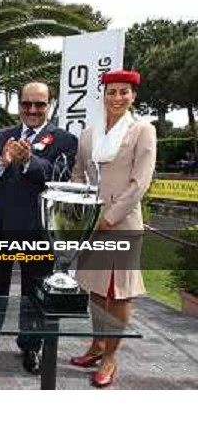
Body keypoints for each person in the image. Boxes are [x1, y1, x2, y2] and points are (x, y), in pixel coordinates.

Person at [0, 81, 78, 374]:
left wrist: (28, 161)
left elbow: (58, 176)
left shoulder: (64, 140)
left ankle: (30, 346)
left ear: (49, 105)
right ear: (19, 104)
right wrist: (2, 160)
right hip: (1, 225)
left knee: (33, 291)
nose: (32, 110)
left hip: (38, 228)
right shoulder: (4, 136)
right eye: (26, 104)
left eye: (39, 104)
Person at [70, 69, 156, 388]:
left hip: (121, 224)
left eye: (124, 92)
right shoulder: (90, 134)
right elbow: (78, 173)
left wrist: (110, 217)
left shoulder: (142, 130)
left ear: (133, 96)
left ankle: (110, 358)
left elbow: (140, 183)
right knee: (94, 289)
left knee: (118, 292)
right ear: (103, 95)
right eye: (112, 92)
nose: (117, 98)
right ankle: (97, 345)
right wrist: (79, 209)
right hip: (92, 223)